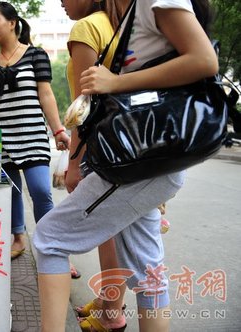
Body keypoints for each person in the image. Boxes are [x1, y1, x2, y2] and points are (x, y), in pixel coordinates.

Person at [33, 0, 218, 331]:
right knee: (149, 272)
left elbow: (205, 60)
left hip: (141, 162)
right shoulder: (128, 12)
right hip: (146, 161)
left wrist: (114, 82)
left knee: (49, 238)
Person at [0, 1, 71, 259]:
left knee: (40, 190)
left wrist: (58, 129)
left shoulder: (36, 55)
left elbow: (46, 94)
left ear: (12, 22)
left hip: (32, 133)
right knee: (5, 191)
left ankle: (54, 247)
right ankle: (18, 238)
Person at [61, 0, 130, 329]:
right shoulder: (117, 23)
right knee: (117, 230)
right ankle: (108, 298)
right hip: (130, 144)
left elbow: (82, 106)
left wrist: (74, 161)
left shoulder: (87, 29)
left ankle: (112, 312)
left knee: (109, 231)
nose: (60, 1)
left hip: (102, 146)